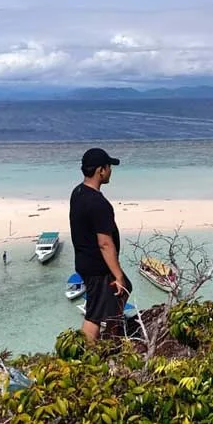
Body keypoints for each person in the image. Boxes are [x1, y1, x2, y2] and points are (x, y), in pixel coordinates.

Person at [70, 147, 132, 343]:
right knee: (94, 315)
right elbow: (105, 243)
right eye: (109, 167)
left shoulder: (78, 192)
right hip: (97, 267)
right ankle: (86, 355)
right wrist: (118, 274)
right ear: (101, 171)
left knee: (120, 293)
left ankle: (111, 334)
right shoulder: (98, 203)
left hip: (85, 261)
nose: (111, 171)